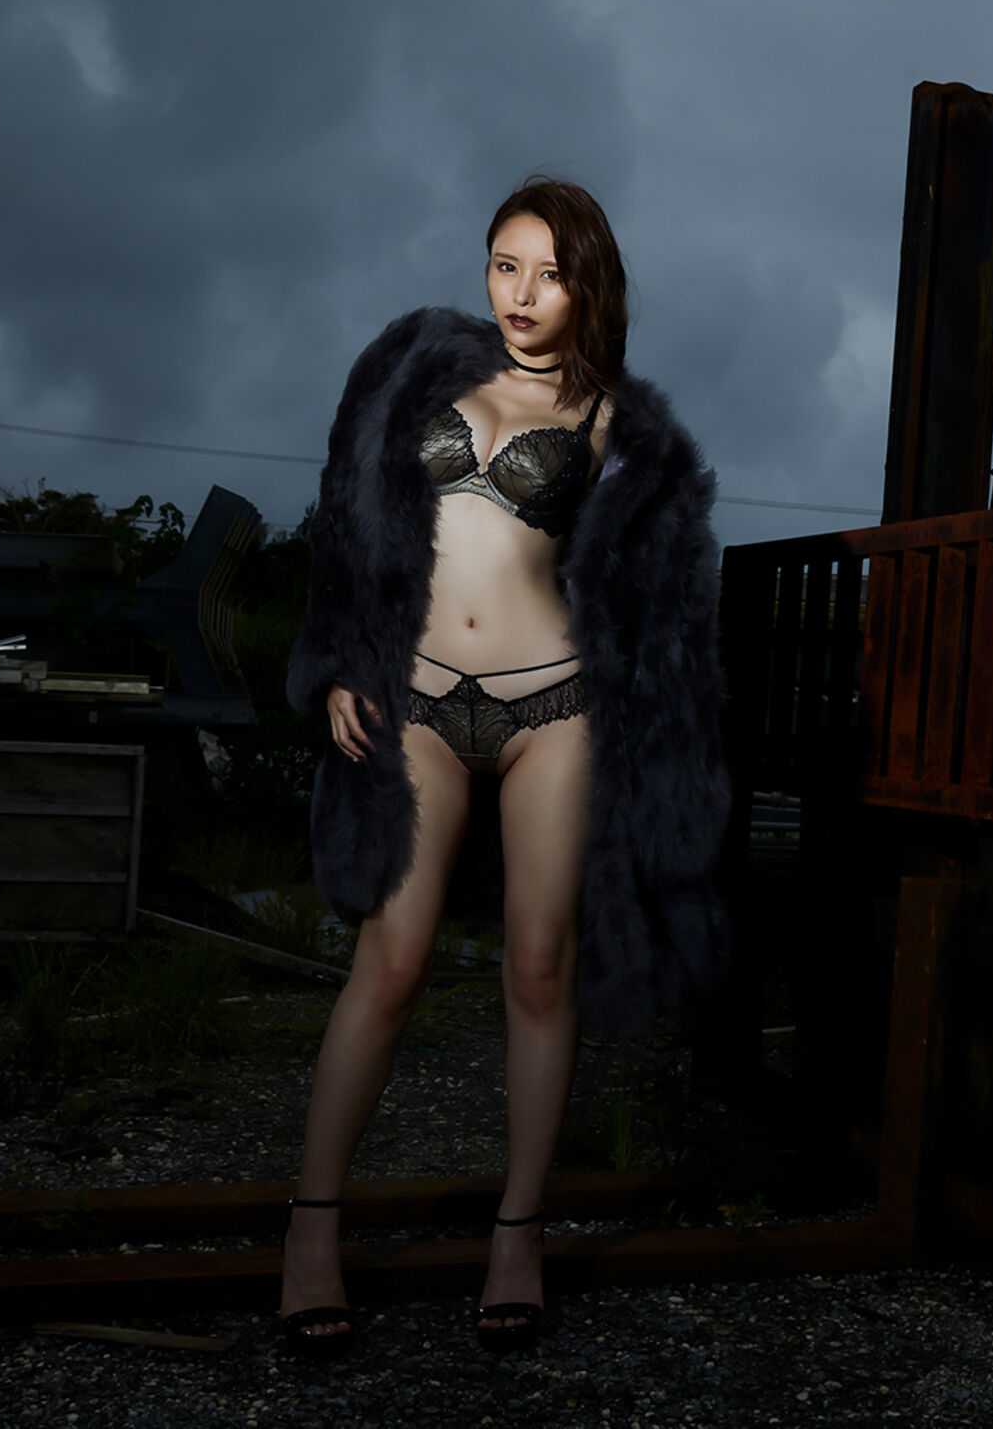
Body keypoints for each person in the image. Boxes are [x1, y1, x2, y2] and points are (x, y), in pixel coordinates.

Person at [273, 176, 732, 1358]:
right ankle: (311, 1231)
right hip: (417, 698)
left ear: (590, 285)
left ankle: (516, 1236)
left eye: (550, 273)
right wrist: (339, 659)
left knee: (539, 967)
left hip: (555, 709)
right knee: (391, 962)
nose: (522, 294)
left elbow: (660, 606)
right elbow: (348, 521)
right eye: (504, 265)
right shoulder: (416, 372)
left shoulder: (627, 429)